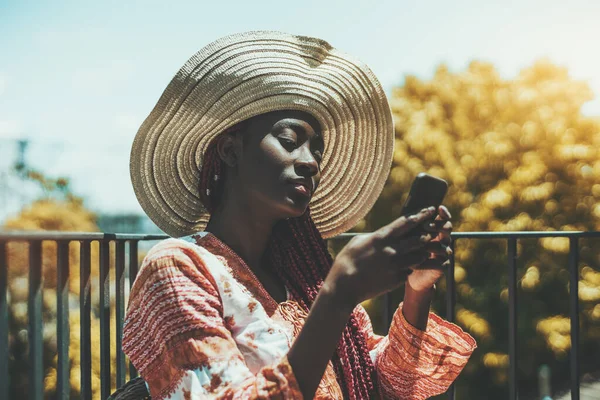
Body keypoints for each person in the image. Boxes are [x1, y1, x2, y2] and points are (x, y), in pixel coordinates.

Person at [116, 31, 476, 400]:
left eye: (316, 151)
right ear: (230, 150)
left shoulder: (306, 277)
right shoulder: (177, 268)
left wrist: (417, 287)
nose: (310, 162)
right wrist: (337, 296)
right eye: (289, 141)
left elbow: (384, 385)